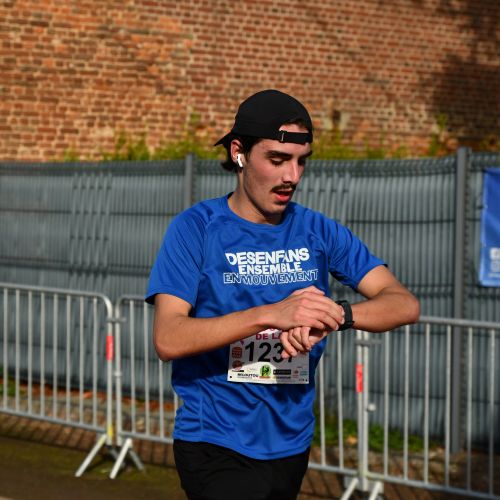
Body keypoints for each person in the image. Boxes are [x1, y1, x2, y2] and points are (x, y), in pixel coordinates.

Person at [146, 89, 420, 500]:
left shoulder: (318, 230)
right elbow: (168, 338)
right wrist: (271, 314)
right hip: (215, 440)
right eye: (277, 160)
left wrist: (334, 315)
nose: (292, 176)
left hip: (291, 441)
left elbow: (403, 303)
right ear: (239, 153)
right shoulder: (196, 229)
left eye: (300, 161)